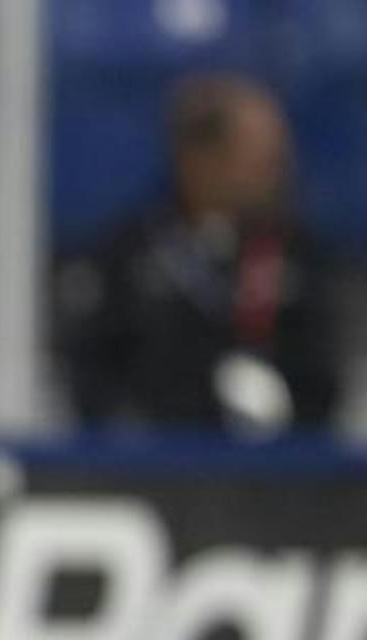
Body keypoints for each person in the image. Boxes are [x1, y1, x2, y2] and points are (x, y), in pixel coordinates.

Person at [59, 72, 343, 437]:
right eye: (260, 161)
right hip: (156, 475)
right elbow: (94, 384)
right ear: (198, 159)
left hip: (277, 481)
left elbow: (324, 384)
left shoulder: (299, 256)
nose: (278, 174)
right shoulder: (125, 258)